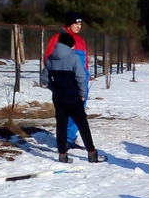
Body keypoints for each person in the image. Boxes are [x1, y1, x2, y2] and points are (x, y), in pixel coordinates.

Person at [41, 33, 106, 164]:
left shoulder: (50, 58)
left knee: (61, 126)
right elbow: (81, 78)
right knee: (83, 125)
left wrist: (54, 88)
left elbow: (44, 78)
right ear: (70, 45)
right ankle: (92, 154)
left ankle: (62, 155)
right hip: (73, 97)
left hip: (58, 98)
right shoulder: (73, 57)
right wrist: (82, 94)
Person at [44, 11, 90, 149]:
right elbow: (48, 59)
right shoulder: (59, 38)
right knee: (68, 112)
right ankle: (66, 140)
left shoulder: (79, 40)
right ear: (69, 23)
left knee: (79, 111)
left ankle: (70, 138)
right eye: (76, 23)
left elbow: (84, 61)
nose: (79, 26)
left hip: (80, 80)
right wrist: (54, 84)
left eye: (80, 23)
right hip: (67, 82)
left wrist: (86, 74)